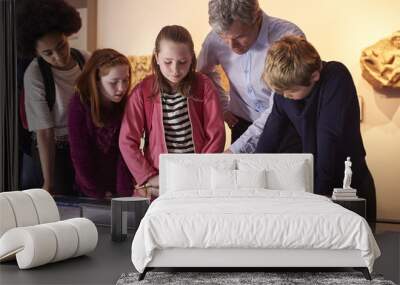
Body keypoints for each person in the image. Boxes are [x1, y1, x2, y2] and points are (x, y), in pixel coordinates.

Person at [255, 35, 376, 222]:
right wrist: (252, 182)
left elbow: (328, 138)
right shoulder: (285, 92)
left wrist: (318, 198)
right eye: (281, 92)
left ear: (314, 76)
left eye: (291, 92)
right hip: (315, 184)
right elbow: (270, 136)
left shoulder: (336, 77)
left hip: (347, 187)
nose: (285, 97)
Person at [119, 25, 225, 199]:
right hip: (159, 180)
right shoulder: (142, 91)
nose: (175, 70)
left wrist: (199, 172)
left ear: (191, 58)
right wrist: (149, 176)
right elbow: (127, 140)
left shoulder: (204, 85)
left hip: (198, 177)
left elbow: (216, 134)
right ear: (157, 57)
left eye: (183, 62)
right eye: (168, 62)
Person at [197, 0, 304, 153]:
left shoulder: (289, 37)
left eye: (239, 37)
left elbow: (278, 106)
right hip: (241, 125)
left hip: (287, 128)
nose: (231, 46)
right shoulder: (214, 39)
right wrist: (222, 106)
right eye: (223, 38)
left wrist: (235, 151)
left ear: (257, 18)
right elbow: (203, 75)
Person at [16, 0, 90, 195]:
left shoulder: (86, 60)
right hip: (50, 149)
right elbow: (45, 133)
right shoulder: (35, 74)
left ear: (67, 35)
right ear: (35, 52)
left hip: (80, 143)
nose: (59, 56)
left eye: (61, 46)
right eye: (48, 53)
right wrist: (49, 183)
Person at [68, 49, 134, 199]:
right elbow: (80, 154)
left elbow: (124, 152)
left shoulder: (126, 104)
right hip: (88, 188)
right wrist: (97, 192)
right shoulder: (79, 104)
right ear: (96, 79)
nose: (122, 88)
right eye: (114, 82)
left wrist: (123, 194)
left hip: (118, 185)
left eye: (126, 80)